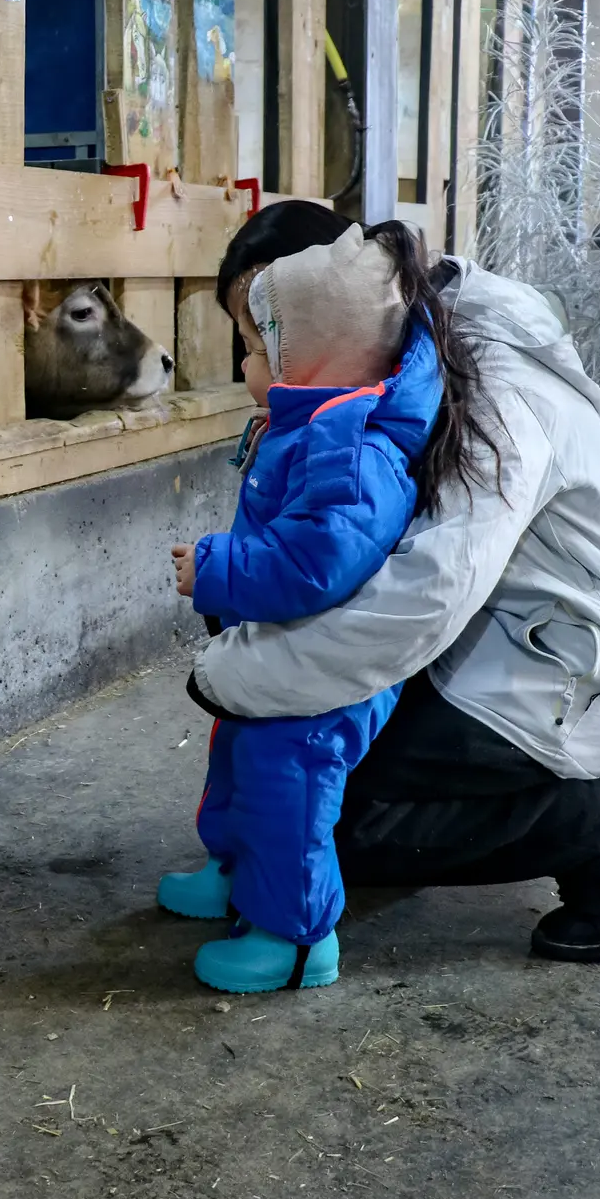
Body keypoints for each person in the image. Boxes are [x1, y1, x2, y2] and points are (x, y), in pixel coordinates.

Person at [183, 201, 600, 965]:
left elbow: (428, 589)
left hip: (558, 664)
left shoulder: (496, 389)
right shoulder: (395, 360)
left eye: (269, 334)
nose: (261, 366)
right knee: (296, 786)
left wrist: (240, 672)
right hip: (479, 637)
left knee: (331, 818)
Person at [158, 224, 451, 993]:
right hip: (285, 649)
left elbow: (317, 564)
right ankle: (233, 877)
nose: (244, 362)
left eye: (256, 348)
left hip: (326, 668)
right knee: (237, 756)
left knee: (285, 789)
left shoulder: (351, 448)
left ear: (311, 356)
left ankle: (292, 939)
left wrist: (217, 569)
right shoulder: (312, 426)